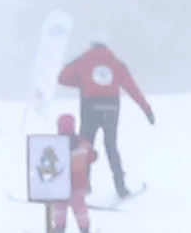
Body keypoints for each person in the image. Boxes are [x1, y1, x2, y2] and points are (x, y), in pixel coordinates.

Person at [56, 38, 154, 199]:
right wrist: (147, 110)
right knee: (111, 146)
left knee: (85, 147)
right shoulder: (116, 63)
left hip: (90, 107)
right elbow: (132, 88)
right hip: (111, 108)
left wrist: (82, 81)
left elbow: (62, 78)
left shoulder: (82, 60)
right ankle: (121, 187)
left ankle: (84, 186)